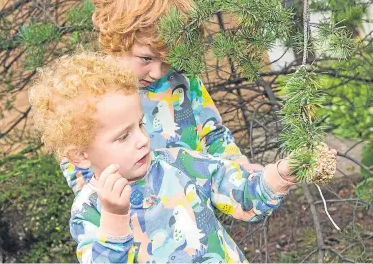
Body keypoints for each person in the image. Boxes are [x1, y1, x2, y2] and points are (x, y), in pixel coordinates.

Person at [29, 52, 337, 263]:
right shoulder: (90, 210)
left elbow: (239, 192)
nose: (141, 140)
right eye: (123, 136)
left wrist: (279, 175)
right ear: (80, 155)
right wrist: (114, 217)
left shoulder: (177, 162)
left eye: (139, 125)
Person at [60, 0, 261, 195]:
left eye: (168, 61)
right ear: (120, 37)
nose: (157, 72)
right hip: (131, 217)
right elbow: (75, 157)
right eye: (145, 58)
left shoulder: (185, 84)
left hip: (191, 212)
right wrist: (97, 199)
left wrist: (240, 170)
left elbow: (214, 135)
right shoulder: (93, 92)